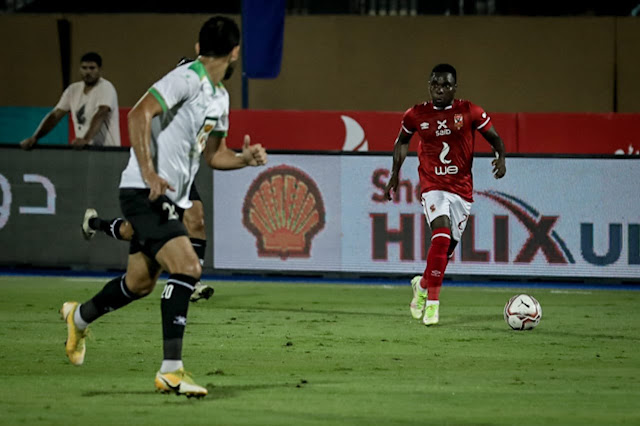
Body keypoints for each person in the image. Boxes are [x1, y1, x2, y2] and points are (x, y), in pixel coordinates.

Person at [60, 16, 268, 398]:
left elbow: (215, 156)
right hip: (146, 191)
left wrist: (244, 158)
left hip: (168, 194)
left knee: (139, 283)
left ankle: (79, 316)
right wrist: (150, 172)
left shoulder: (220, 98)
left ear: (197, 44)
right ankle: (171, 371)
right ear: (236, 51)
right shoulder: (186, 79)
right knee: (188, 267)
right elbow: (138, 114)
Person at [80, 58, 216, 303]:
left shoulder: (203, 103)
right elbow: (138, 119)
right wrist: (148, 170)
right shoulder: (163, 103)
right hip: (153, 177)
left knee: (197, 220)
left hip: (178, 178)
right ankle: (96, 223)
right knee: (132, 232)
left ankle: (191, 282)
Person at [383, 63, 506, 326]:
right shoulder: (416, 114)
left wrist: (501, 157)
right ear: (429, 85)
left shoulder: (470, 111)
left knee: (446, 249)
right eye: (435, 84)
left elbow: (495, 137)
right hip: (432, 185)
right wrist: (395, 173)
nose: (439, 90)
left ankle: (423, 285)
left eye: (445, 85)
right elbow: (402, 142)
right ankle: (433, 306)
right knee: (441, 235)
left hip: (461, 191)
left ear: (454, 87)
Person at [20, 52, 120, 149]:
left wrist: (85, 139)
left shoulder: (106, 87)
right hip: (85, 151)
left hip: (107, 151)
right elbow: (55, 115)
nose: (88, 72)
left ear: (100, 70)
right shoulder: (73, 90)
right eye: (84, 68)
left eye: (92, 68)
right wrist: (35, 137)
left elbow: (101, 113)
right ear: (79, 69)